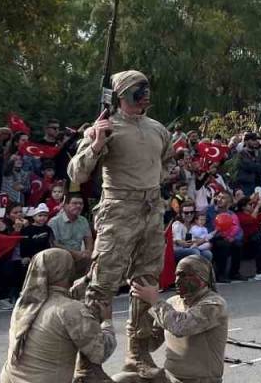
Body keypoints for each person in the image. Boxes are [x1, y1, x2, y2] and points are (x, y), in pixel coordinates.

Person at [67, 69, 173, 382]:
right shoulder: (105, 128)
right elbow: (76, 173)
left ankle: (137, 354)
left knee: (146, 280)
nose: (145, 93)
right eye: (139, 89)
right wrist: (97, 143)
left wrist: (153, 182)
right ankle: (89, 362)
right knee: (102, 284)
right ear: (123, 94)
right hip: (118, 210)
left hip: (152, 209)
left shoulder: (158, 129)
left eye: (147, 87)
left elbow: (166, 161)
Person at [0, 249, 116, 383]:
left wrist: (86, 279)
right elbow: (99, 352)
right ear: (65, 270)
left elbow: (57, 300)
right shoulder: (70, 310)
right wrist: (107, 322)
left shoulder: (25, 302)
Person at [123, 256, 229, 383]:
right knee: (121, 379)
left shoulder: (214, 304)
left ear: (202, 278)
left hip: (201, 380)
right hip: (169, 377)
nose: (177, 280)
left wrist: (154, 301)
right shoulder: (172, 303)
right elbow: (152, 344)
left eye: (184, 275)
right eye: (177, 275)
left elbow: (180, 327)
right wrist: (138, 323)